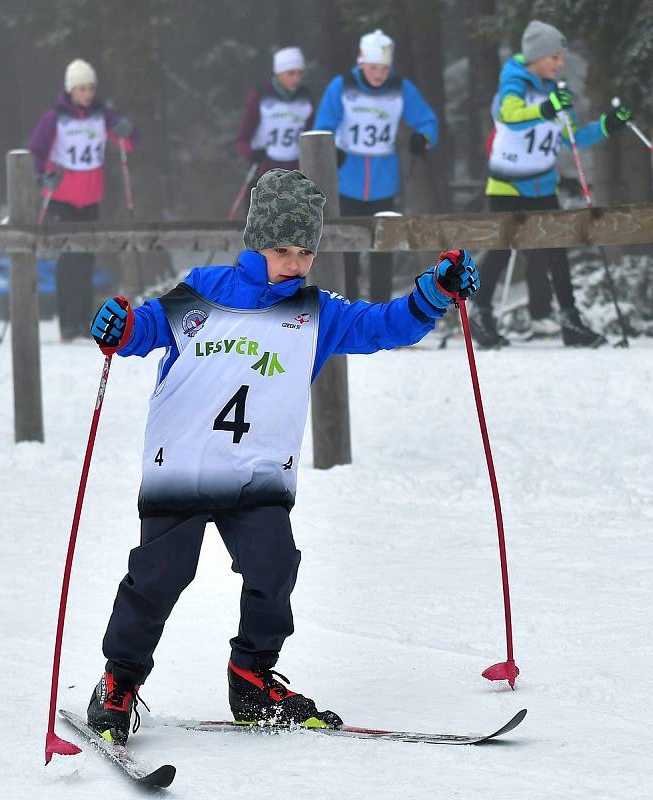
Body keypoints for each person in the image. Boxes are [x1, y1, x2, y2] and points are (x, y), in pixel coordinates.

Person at [84, 168, 479, 744]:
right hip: (183, 466)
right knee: (159, 576)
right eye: (282, 249)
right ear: (255, 243)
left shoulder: (319, 312)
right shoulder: (203, 289)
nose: (294, 262)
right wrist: (120, 327)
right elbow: (145, 328)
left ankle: (251, 676)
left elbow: (384, 325)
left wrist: (432, 293)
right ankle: (118, 681)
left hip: (257, 474)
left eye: (305, 251)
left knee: (274, 569)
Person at [469, 20, 632, 348]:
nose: (560, 64)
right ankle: (480, 311)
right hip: (508, 185)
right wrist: (545, 108)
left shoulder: (557, 91)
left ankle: (571, 320)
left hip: (543, 185)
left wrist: (608, 125)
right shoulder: (513, 82)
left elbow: (573, 137)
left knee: (556, 251)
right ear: (536, 56)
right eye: (554, 57)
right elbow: (509, 115)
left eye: (562, 57)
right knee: (501, 251)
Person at [314, 29, 438, 303]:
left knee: (383, 248)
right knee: (348, 252)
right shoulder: (341, 86)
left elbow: (427, 121)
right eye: (373, 68)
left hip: (385, 182)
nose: (379, 75)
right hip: (346, 181)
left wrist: (423, 138)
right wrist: (332, 150)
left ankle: (381, 316)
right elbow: (322, 127)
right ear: (361, 62)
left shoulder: (400, 87)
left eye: (384, 68)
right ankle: (345, 312)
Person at [29, 59, 139, 341]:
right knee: (69, 260)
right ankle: (67, 323)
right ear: (70, 90)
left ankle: (81, 322)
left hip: (90, 198)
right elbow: (36, 150)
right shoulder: (55, 118)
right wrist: (43, 176)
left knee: (87, 258)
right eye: (81, 89)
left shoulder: (102, 115)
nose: (87, 94)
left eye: (90, 88)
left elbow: (128, 142)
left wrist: (127, 132)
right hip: (62, 197)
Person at [235, 47, 314, 212]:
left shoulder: (305, 97)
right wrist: (252, 153)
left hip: (295, 174)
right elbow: (242, 139)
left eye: (300, 73)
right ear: (279, 72)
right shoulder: (261, 96)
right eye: (291, 73)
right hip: (264, 173)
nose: (296, 78)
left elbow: (311, 134)